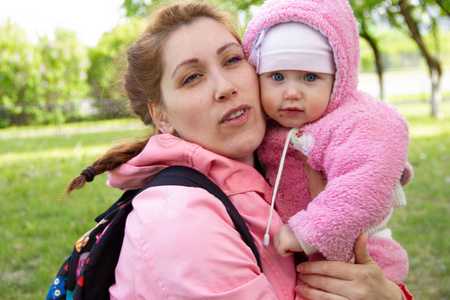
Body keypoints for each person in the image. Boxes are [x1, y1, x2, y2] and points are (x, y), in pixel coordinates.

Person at [64, 1, 412, 299]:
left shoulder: (275, 170)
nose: (226, 87)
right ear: (162, 116)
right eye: (192, 77)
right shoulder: (180, 221)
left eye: (232, 60)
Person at [243, 0, 411, 289]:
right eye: (277, 77)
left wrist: (307, 231)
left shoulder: (357, 119)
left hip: (360, 253)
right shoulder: (265, 127)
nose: (292, 92)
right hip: (301, 262)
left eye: (310, 77)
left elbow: (365, 182)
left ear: (337, 78)